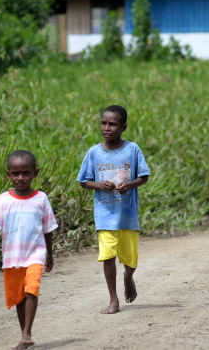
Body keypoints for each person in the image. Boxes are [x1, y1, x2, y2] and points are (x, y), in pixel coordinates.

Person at [77, 105, 150, 314]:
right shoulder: (94, 152)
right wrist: (99, 185)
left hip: (127, 215)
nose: (107, 128)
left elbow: (144, 176)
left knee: (130, 259)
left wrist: (130, 185)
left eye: (112, 124)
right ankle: (113, 299)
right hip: (105, 215)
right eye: (103, 123)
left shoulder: (132, 149)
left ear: (123, 127)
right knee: (107, 256)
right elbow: (83, 181)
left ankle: (128, 277)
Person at [0, 150, 57, 350]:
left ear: (35, 173)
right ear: (8, 175)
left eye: (26, 172)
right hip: (13, 257)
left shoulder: (41, 199)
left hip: (35, 254)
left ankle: (27, 332)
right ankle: (24, 337)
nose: (21, 177)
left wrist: (49, 254)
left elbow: (48, 230)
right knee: (18, 298)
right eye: (16, 173)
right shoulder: (3, 200)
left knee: (32, 288)